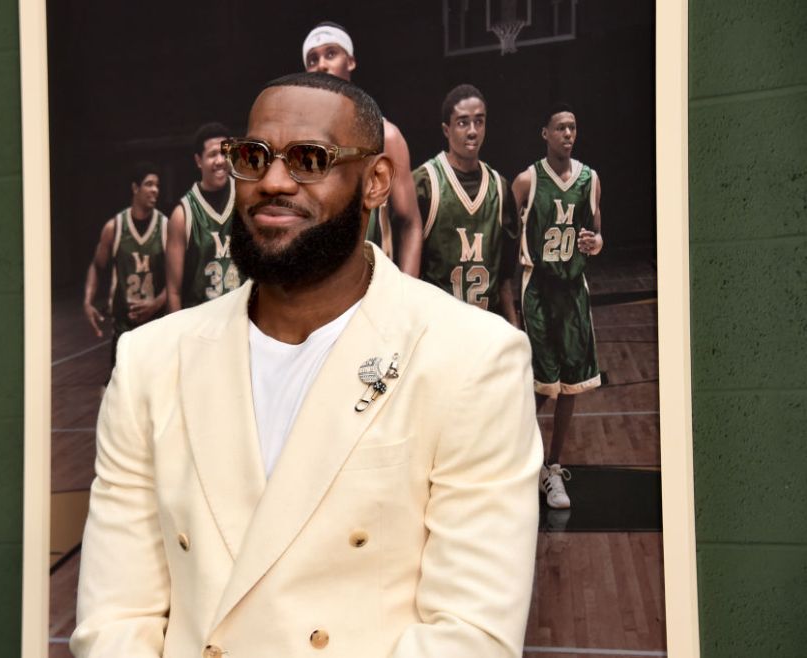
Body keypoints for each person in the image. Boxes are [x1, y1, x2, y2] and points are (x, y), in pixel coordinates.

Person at [72, 72, 541, 658]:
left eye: (309, 159)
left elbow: (470, 635)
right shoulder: (150, 361)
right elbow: (115, 616)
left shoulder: (473, 358)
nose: (272, 181)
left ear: (374, 183)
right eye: (254, 157)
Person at [512, 103, 603, 510]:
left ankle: (553, 466)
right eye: (560, 128)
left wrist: (595, 244)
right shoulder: (527, 180)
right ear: (544, 133)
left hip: (573, 290)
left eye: (573, 127)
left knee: (571, 385)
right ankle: (518, 461)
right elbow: (507, 237)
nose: (568, 134)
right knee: (541, 385)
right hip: (539, 289)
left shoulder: (590, 179)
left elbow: (597, 233)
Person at [303, 21, 423, 277]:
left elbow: (411, 223)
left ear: (351, 61)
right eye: (312, 59)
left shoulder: (385, 135)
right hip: (316, 289)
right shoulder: (300, 141)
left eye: (331, 53)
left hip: (372, 289)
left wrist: (405, 297)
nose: (321, 64)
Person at [414, 84, 520, 324]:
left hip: (485, 331)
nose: (472, 131)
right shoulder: (425, 183)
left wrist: (515, 329)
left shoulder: (500, 188)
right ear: (446, 129)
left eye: (479, 122)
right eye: (463, 122)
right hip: (439, 331)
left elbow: (503, 279)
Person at [83, 163, 168, 370]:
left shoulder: (166, 226)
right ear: (135, 188)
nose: (155, 189)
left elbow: (176, 280)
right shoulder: (114, 228)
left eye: (157, 185)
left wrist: (156, 304)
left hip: (156, 327)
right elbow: (96, 265)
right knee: (117, 394)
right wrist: (88, 301)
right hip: (123, 329)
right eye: (149, 184)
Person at [165, 122, 242, 311]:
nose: (220, 160)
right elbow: (173, 291)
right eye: (212, 154)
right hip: (202, 323)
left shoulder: (246, 196)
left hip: (243, 317)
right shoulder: (182, 214)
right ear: (198, 161)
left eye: (224, 153)